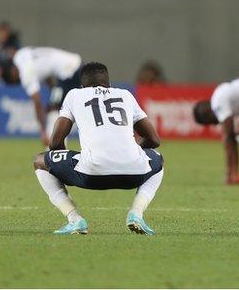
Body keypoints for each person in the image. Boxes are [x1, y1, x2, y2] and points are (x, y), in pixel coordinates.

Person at [32, 62, 164, 235]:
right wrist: (132, 153)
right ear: (109, 84)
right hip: (133, 173)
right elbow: (154, 139)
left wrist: (63, 170)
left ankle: (75, 219)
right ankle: (136, 214)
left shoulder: (75, 95)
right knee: (158, 159)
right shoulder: (125, 94)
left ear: (82, 85)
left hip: (91, 174)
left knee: (40, 161)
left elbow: (55, 143)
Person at [9, 47, 82, 146]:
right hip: (75, 66)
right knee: (54, 106)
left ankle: (56, 149)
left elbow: (37, 103)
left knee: (54, 108)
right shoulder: (19, 56)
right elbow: (46, 72)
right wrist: (53, 93)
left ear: (12, 74)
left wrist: (42, 132)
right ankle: (56, 147)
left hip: (69, 72)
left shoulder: (25, 74)